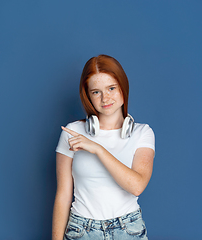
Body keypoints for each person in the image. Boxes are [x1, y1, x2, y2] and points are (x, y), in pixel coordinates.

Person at [52, 54, 155, 240]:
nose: (105, 97)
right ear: (88, 95)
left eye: (111, 88)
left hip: (128, 230)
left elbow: (137, 186)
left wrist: (98, 149)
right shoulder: (73, 132)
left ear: (123, 87)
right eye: (96, 92)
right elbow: (63, 195)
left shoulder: (143, 133)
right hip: (81, 230)